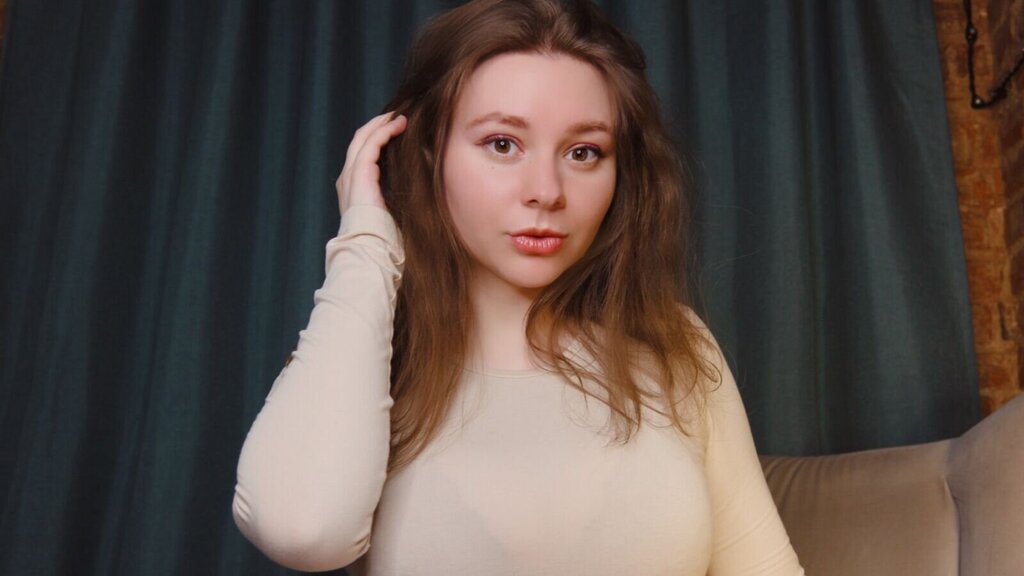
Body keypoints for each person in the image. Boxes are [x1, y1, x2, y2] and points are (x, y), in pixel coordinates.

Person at [232, 0, 805, 574]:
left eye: (583, 152)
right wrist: (365, 240)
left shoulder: (672, 345)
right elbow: (303, 532)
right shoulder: (368, 361)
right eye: (502, 144)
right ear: (430, 152)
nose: (546, 191)